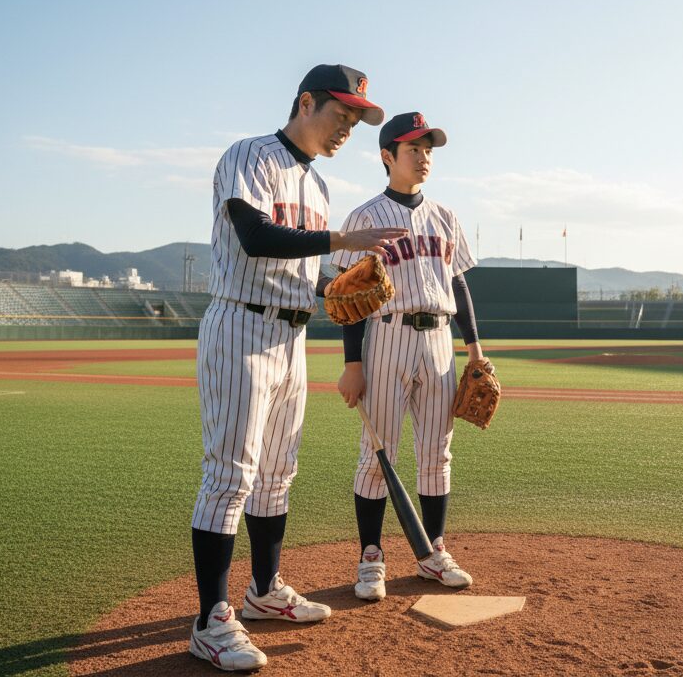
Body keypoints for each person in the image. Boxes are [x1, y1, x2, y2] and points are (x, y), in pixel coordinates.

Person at [188, 64, 407, 672]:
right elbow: (255, 236)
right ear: (305, 102)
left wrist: (344, 285)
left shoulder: (320, 187)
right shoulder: (249, 155)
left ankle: (263, 591)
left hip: (291, 336)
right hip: (241, 326)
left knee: (277, 474)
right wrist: (341, 244)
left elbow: (310, 279)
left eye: (355, 121)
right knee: (230, 475)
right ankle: (210, 620)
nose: (346, 130)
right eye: (340, 115)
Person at [328, 111, 485, 602]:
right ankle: (371, 557)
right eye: (414, 149)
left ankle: (433, 552)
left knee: (437, 454)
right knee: (379, 455)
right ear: (387, 156)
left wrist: (475, 348)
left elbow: (458, 283)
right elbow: (345, 296)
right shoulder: (364, 218)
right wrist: (353, 363)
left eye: (429, 150)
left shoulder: (446, 216)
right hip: (387, 338)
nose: (424, 157)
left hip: (438, 340)